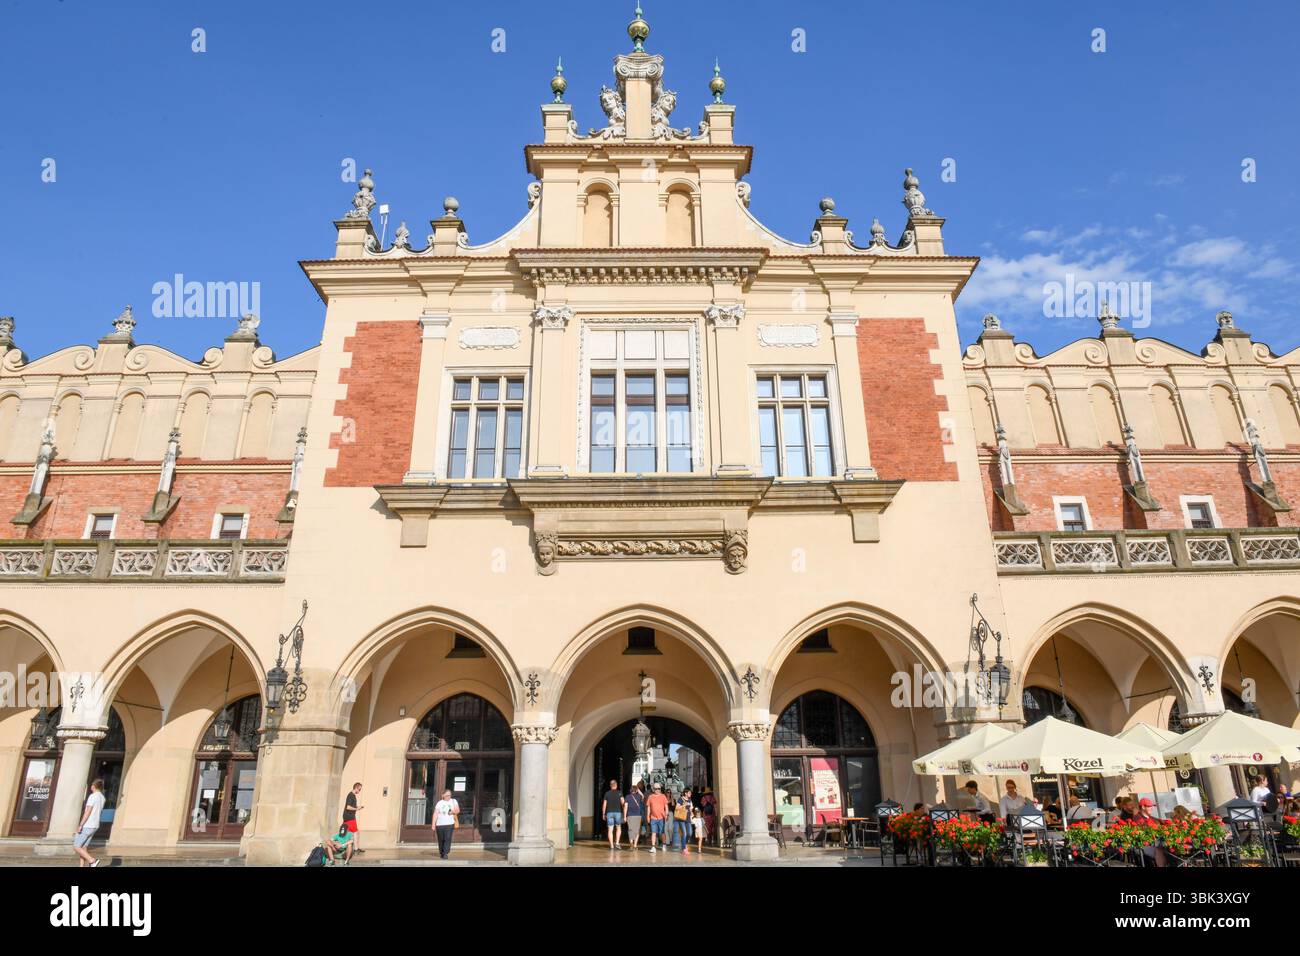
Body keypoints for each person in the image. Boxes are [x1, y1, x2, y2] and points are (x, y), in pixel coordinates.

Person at [74, 778, 105, 868]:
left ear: (94, 786)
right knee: (83, 847)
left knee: (76, 847)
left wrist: (80, 825)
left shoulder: (93, 796)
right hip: (95, 825)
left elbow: (87, 812)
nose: (91, 786)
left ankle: (92, 861)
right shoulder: (102, 798)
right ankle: (81, 866)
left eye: (92, 785)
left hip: (88, 824)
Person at [432, 788, 459, 859]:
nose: (448, 797)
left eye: (449, 795)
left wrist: (452, 812)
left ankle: (445, 853)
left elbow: (457, 810)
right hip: (439, 824)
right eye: (447, 795)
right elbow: (435, 814)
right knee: (441, 839)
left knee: (447, 838)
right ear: (443, 795)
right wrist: (433, 825)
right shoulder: (439, 803)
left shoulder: (454, 801)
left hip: (450, 824)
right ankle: (442, 852)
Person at [645, 783, 669, 853]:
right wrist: (648, 816)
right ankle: (653, 847)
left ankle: (664, 845)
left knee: (662, 832)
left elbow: (666, 806)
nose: (658, 790)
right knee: (653, 832)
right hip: (653, 818)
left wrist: (666, 814)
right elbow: (648, 807)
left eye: (659, 789)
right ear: (653, 789)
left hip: (661, 818)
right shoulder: (650, 797)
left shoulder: (663, 796)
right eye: (656, 789)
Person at [601, 779, 625, 849]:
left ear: (610, 786)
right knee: (618, 828)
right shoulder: (619, 793)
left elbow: (604, 804)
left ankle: (611, 846)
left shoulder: (607, 793)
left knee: (610, 829)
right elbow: (623, 803)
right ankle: (617, 843)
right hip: (618, 813)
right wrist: (624, 812)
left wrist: (603, 814)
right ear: (616, 785)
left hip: (609, 813)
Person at [342, 782, 364, 854]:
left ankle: (352, 848)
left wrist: (358, 807)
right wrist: (356, 809)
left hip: (350, 817)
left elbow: (352, 806)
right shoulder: (351, 795)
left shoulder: (353, 796)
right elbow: (348, 807)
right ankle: (355, 849)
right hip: (349, 817)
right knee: (355, 832)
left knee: (352, 832)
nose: (359, 791)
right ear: (356, 788)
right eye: (359, 789)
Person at [624, 784, 645, 850]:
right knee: (636, 831)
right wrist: (638, 789)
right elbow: (643, 796)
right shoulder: (639, 796)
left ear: (631, 790)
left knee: (631, 830)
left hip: (630, 815)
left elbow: (625, 807)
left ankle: (631, 844)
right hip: (638, 816)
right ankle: (635, 845)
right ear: (636, 790)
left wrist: (624, 816)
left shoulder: (627, 797)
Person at [673, 789, 693, 853]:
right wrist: (684, 805)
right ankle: (684, 848)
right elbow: (677, 808)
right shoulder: (680, 799)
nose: (690, 794)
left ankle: (684, 844)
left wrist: (691, 810)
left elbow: (691, 808)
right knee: (684, 833)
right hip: (681, 818)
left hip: (688, 818)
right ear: (685, 793)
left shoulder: (690, 800)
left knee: (689, 833)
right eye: (689, 793)